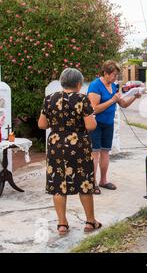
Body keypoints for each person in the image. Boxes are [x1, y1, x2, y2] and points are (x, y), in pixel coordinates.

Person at [38, 68, 102, 235]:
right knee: (84, 183)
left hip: (56, 145)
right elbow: (90, 126)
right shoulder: (82, 99)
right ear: (79, 84)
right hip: (78, 146)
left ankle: (62, 224)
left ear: (62, 82)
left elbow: (42, 125)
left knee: (58, 184)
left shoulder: (49, 99)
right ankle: (90, 222)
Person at [87, 60, 141, 194]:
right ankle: (92, 183)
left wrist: (134, 96)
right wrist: (112, 100)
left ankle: (103, 181)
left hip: (108, 124)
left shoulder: (114, 86)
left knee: (105, 152)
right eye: (113, 75)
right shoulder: (95, 86)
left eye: (117, 75)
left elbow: (122, 104)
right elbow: (93, 109)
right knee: (95, 153)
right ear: (105, 73)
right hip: (95, 124)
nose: (115, 78)